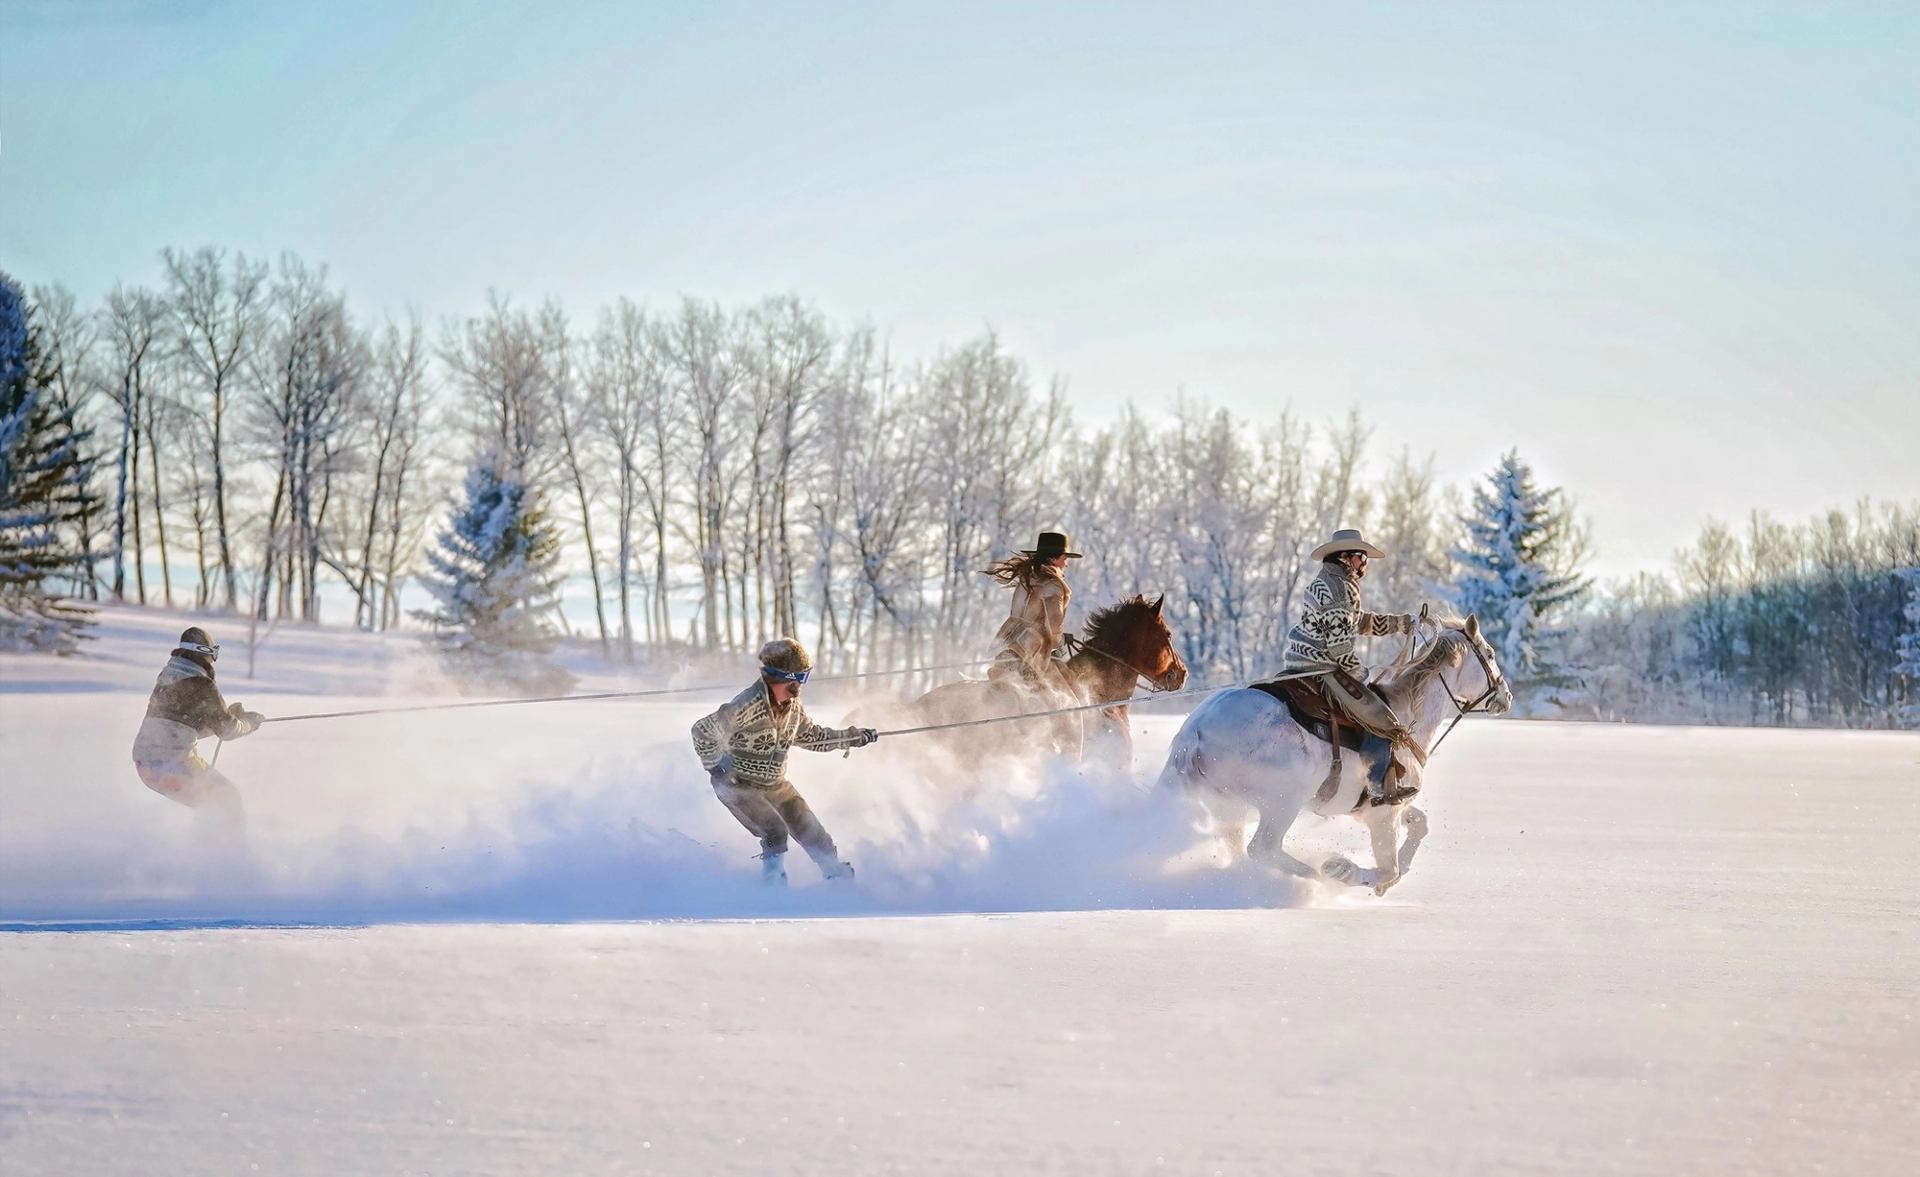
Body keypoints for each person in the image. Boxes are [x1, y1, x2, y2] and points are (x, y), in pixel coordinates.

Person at [691, 637, 878, 885]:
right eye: (795, 679)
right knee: (775, 830)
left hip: (775, 784)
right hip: (738, 785)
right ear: (774, 677)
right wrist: (717, 767)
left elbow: (812, 737)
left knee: (810, 828)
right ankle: (772, 884)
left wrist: (850, 738)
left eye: (804, 678)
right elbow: (702, 731)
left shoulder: (793, 708)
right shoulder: (746, 705)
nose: (798, 688)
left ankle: (835, 875)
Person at [1282, 529, 1421, 799]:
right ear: (1345, 558)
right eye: (1361, 557)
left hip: (1303, 661)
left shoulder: (1331, 582)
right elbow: (1339, 648)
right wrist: (1361, 675)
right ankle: (1380, 788)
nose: (1365, 563)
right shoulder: (1339, 588)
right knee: (1382, 719)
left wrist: (1402, 623)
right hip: (1322, 667)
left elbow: (1358, 621)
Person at [130, 626, 265, 839]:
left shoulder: (167, 676)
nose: (213, 661)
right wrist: (249, 722)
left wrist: (224, 716)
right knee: (227, 800)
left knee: (211, 805)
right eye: (213, 654)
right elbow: (228, 730)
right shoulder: (202, 684)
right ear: (204, 653)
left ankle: (200, 856)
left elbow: (179, 725)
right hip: (175, 766)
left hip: (145, 767)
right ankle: (220, 860)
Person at [983, 529, 1082, 694]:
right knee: (1070, 702)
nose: (1066, 564)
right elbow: (1053, 629)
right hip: (1031, 655)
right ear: (1053, 558)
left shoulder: (1026, 580)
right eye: (1064, 558)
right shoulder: (1053, 586)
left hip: (1006, 648)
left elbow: (1016, 617)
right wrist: (1061, 641)